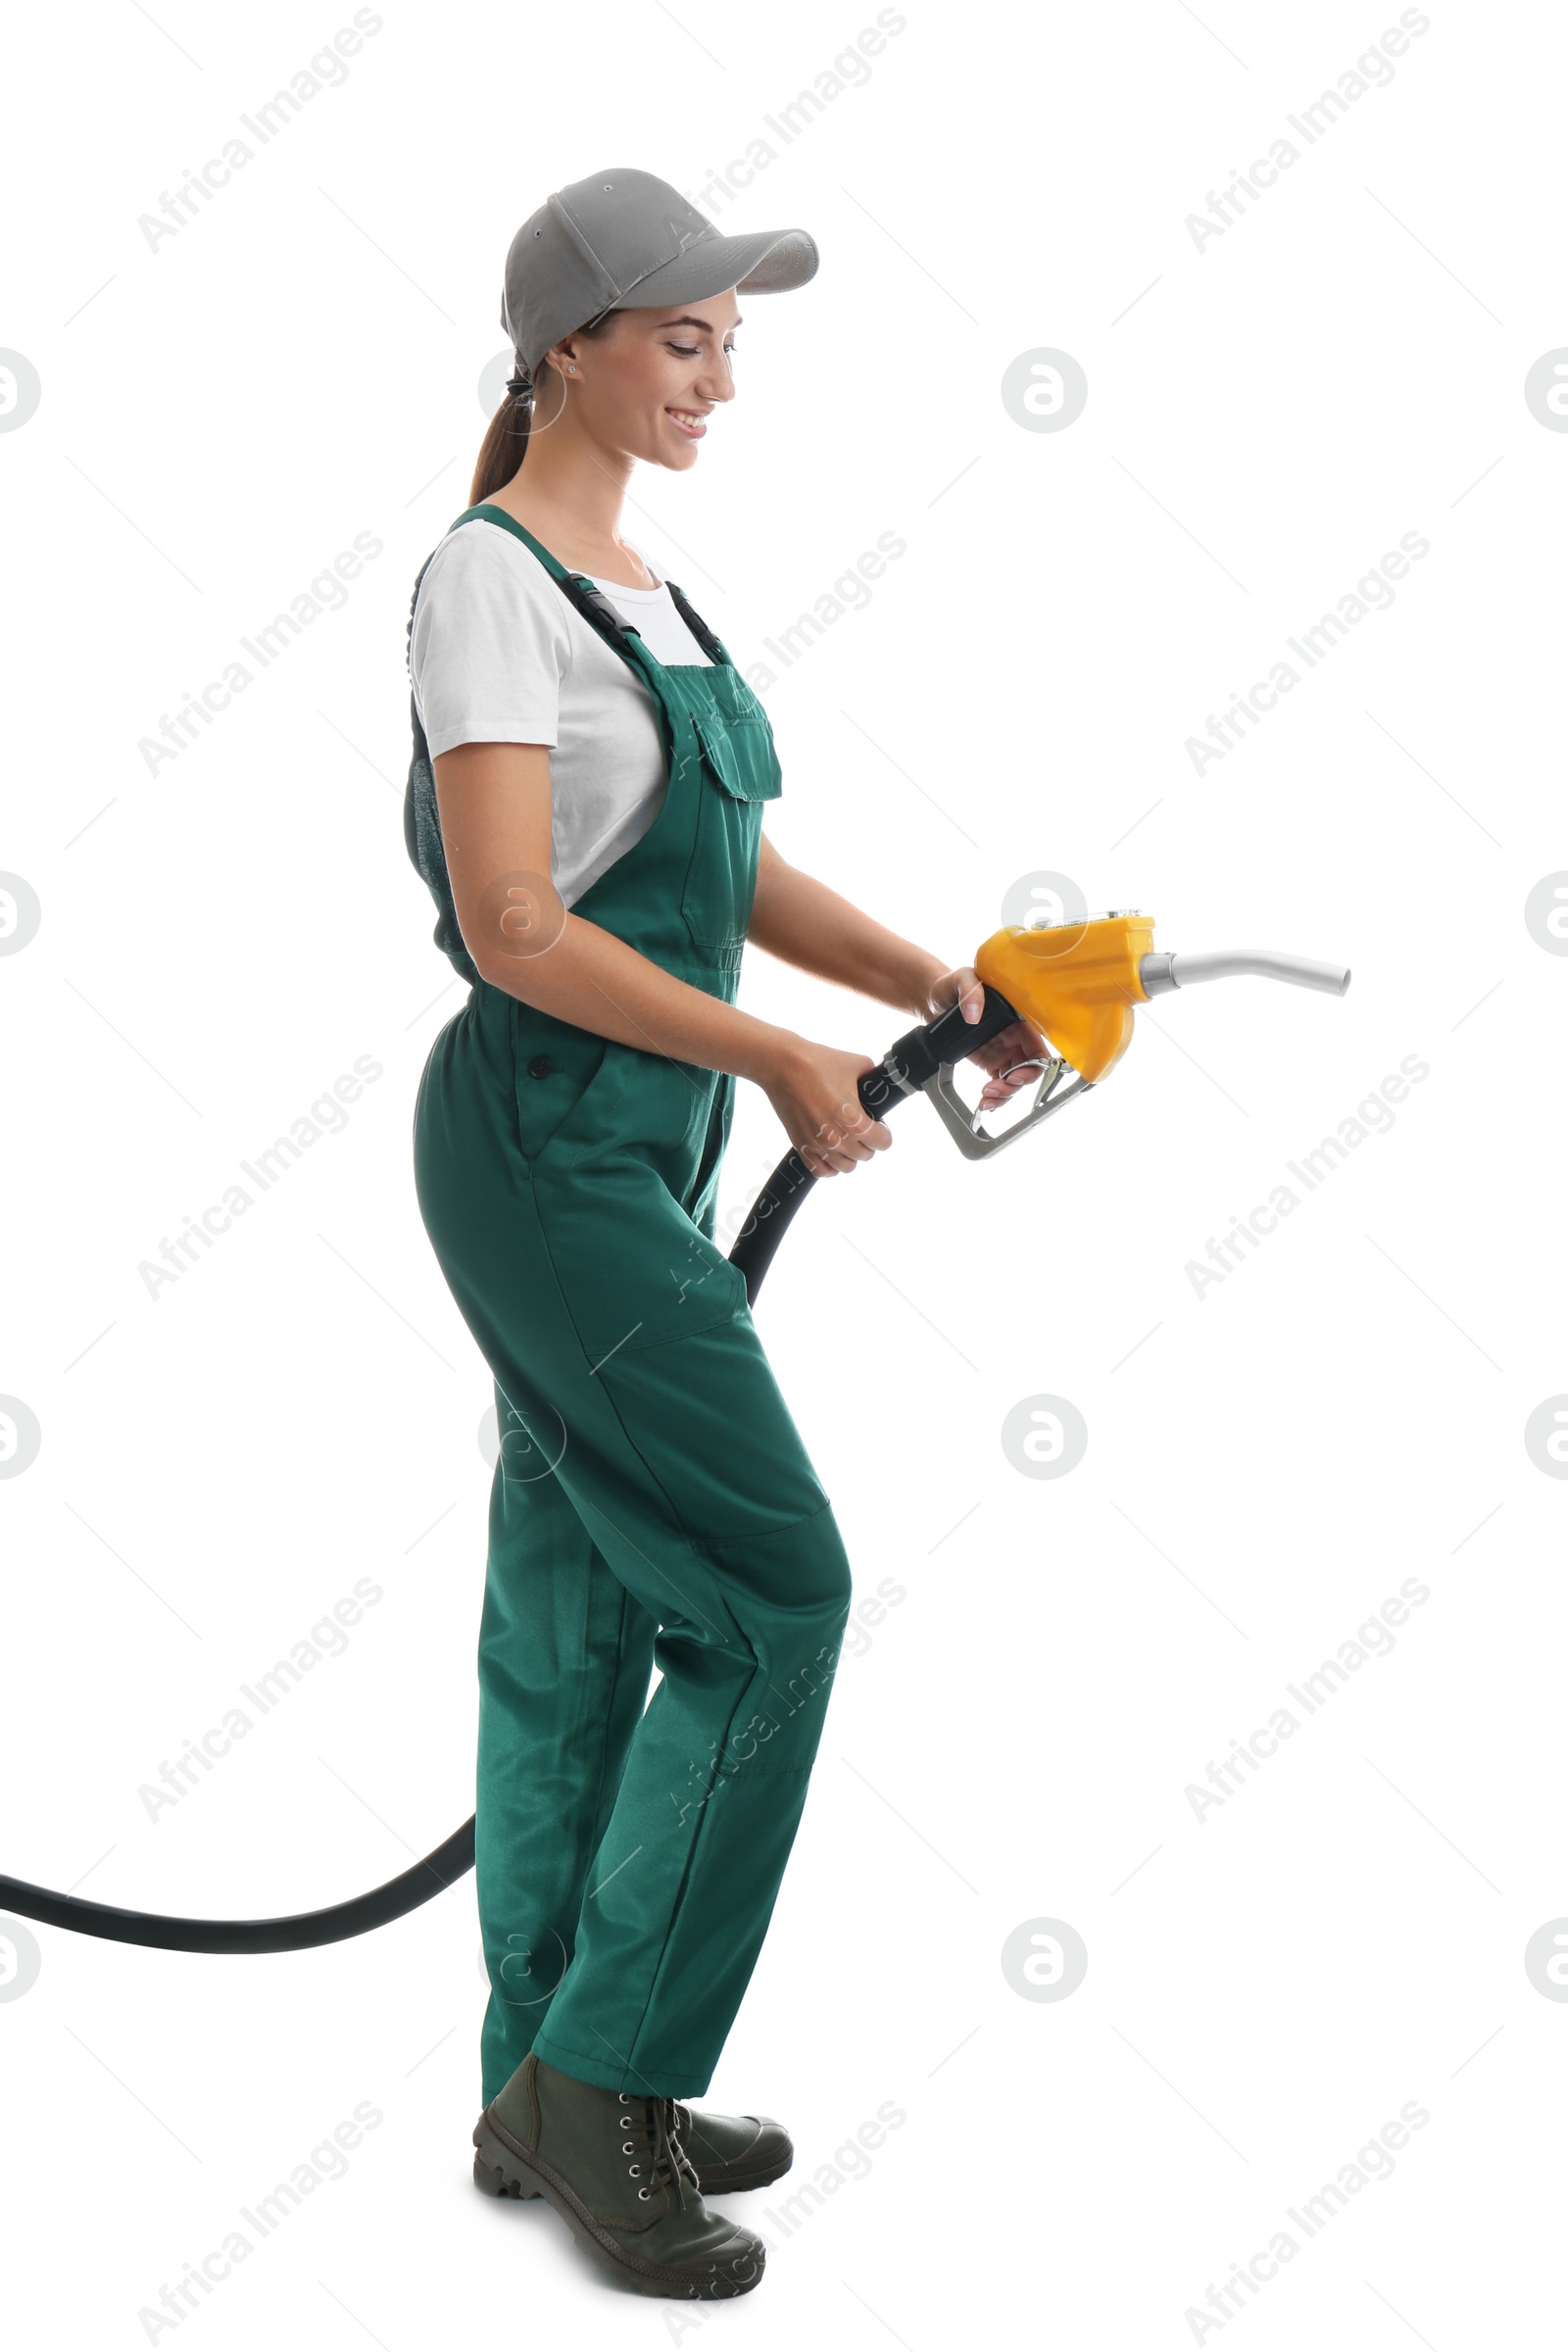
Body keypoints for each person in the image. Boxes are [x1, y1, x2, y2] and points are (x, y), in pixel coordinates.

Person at [404, 168, 1046, 2301]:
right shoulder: (489, 582)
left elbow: (719, 865)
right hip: (547, 1146)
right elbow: (515, 923)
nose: (715, 373)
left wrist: (914, 984)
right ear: (565, 347)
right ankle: (612, 2082)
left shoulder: (644, 592)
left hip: (637, 1134)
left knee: (584, 1605)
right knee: (776, 1596)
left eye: (729, 341)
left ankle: (543, 2079)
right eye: (680, 335)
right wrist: (775, 1063)